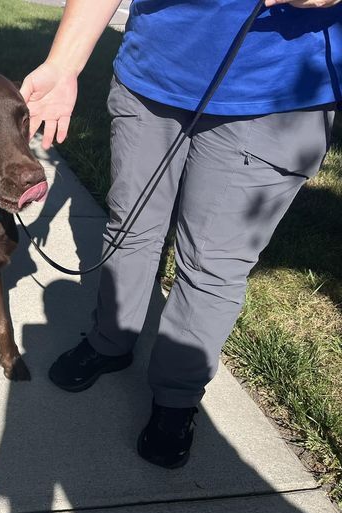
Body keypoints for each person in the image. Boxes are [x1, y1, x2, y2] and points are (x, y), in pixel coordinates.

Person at [21, 0, 341, 469]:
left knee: (212, 264)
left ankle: (176, 399)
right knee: (129, 227)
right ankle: (111, 342)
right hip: (152, 77)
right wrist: (62, 65)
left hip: (277, 93)